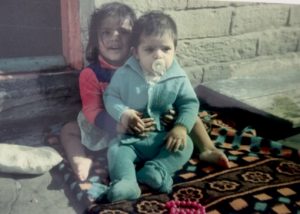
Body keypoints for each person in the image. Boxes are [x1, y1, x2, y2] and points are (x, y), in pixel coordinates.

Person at [60, 2, 229, 183]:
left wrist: (172, 114)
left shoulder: (146, 62)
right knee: (68, 130)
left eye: (123, 32)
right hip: (110, 124)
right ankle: (79, 158)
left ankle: (207, 148)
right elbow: (92, 109)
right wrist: (117, 125)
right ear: (95, 38)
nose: (114, 37)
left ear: (135, 39)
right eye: (106, 32)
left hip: (151, 122)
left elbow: (165, 91)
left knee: (190, 115)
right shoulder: (91, 74)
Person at [103, 11, 210, 202]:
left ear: (175, 50)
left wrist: (180, 127)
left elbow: (189, 103)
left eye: (166, 49)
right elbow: (111, 97)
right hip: (132, 139)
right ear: (136, 52)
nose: (158, 55)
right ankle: (127, 182)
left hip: (164, 137)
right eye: (150, 49)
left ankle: (156, 169)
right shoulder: (124, 74)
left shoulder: (177, 77)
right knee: (115, 151)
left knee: (186, 146)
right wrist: (124, 114)